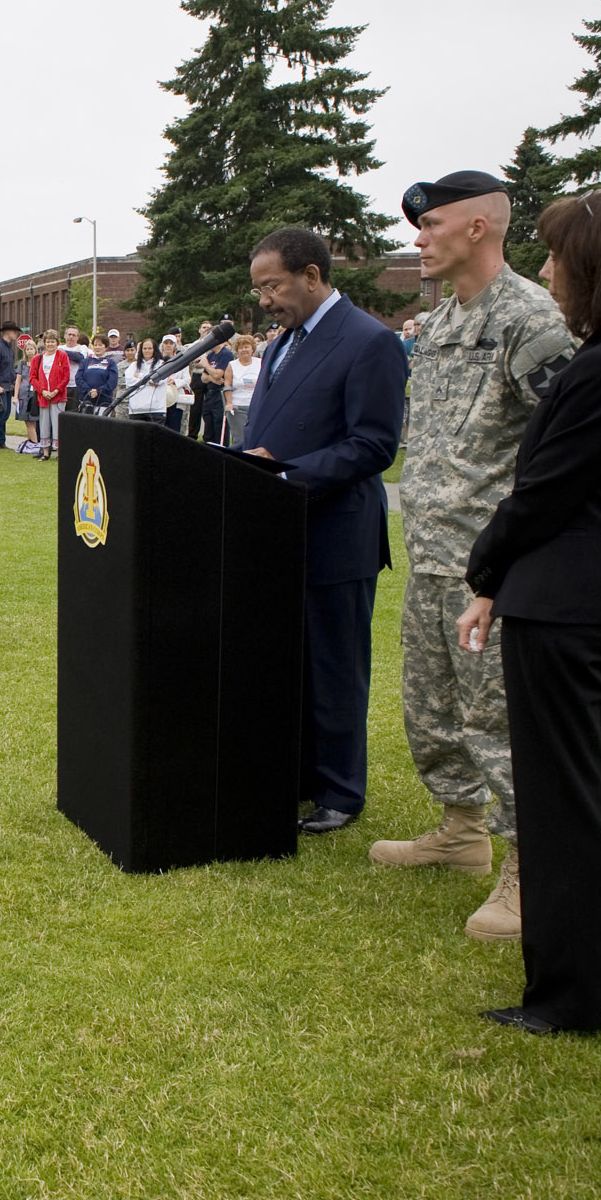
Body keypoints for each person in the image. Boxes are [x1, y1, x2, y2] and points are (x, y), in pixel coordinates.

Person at [457, 180, 601, 1035]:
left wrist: (485, 570)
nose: (549, 269)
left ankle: (573, 992)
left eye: (560, 254)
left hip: (567, 602)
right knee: (584, 780)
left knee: (559, 797)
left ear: (599, 264)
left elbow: (542, 492)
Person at [373, 170, 579, 943]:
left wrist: (517, 555)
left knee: (499, 718)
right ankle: (461, 829)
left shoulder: (532, 319)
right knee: (432, 708)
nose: (419, 240)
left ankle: (531, 869)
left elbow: (563, 447)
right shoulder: (442, 321)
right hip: (431, 552)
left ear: (479, 229)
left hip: (492, 563)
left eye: (432, 226)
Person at [242, 227, 406, 834]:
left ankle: (340, 790)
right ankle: (299, 775)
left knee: (335, 666)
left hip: (337, 534)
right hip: (280, 531)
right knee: (288, 663)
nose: (265, 300)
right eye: (260, 288)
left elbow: (374, 445)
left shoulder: (369, 342)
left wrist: (283, 476)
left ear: (312, 275)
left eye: (273, 285)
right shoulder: (281, 344)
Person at [27, 329, 69, 460]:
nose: (50, 344)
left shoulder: (62, 356)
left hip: (58, 396)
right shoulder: (37, 359)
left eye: (53, 342)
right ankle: (45, 452)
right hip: (43, 397)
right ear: (44, 343)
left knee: (58, 424)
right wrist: (43, 391)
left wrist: (56, 390)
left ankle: (58, 452)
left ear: (57, 343)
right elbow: (32, 378)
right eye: (48, 342)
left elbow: (66, 376)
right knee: (44, 424)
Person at [123, 337, 171, 425]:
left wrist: (139, 376)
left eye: (149, 348)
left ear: (154, 349)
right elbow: (129, 381)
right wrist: (149, 380)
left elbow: (158, 380)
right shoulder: (134, 365)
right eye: (145, 348)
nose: (147, 351)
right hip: (136, 410)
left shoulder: (161, 364)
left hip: (156, 410)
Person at [225, 334, 260, 445]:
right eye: (241, 348)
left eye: (246, 347)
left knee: (256, 437)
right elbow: (227, 384)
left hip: (256, 405)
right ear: (237, 350)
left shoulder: (260, 362)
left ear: (252, 349)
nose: (244, 350)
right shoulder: (232, 365)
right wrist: (229, 402)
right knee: (240, 439)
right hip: (237, 406)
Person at [76, 334, 116, 413]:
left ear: (105, 347)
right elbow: (78, 378)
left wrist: (98, 391)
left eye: (100, 345)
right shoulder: (86, 361)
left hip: (103, 402)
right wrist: (88, 390)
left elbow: (112, 382)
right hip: (86, 401)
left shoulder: (111, 363)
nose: (97, 347)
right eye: (95, 345)